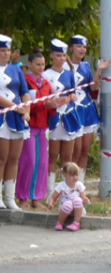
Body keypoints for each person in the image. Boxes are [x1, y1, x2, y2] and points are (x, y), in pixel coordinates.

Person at [67, 35, 110, 184]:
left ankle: (80, 184)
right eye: (79, 46)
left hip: (87, 108)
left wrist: (99, 70)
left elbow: (92, 87)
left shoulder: (85, 66)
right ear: (71, 48)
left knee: (85, 149)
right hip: (73, 109)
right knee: (76, 150)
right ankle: (69, 184)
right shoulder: (66, 66)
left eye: (84, 47)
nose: (82, 49)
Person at [17, 51, 57, 209]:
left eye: (43, 64)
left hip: (43, 128)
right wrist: (43, 105)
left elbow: (50, 106)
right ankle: (22, 197)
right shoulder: (25, 82)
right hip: (29, 126)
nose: (41, 67)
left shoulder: (46, 83)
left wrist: (54, 106)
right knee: (28, 161)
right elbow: (25, 106)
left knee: (42, 163)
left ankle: (36, 198)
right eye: (38, 64)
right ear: (30, 64)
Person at [43, 39, 80, 202]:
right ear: (51, 55)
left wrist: (72, 97)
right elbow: (42, 98)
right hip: (52, 119)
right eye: (58, 55)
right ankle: (49, 191)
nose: (62, 58)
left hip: (68, 118)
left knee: (67, 158)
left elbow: (74, 94)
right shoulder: (45, 75)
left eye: (64, 55)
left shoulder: (69, 74)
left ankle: (65, 193)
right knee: (52, 157)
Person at [0, 34, 31, 210]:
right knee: (1, 158)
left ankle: (10, 198)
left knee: (14, 158)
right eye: (2, 50)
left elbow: (24, 92)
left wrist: (26, 111)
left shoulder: (16, 69)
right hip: (1, 118)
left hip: (17, 118)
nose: (6, 53)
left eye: (8, 50)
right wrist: (16, 107)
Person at [48, 162, 89, 231]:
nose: (75, 177)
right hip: (64, 209)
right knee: (68, 204)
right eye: (72, 175)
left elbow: (83, 198)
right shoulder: (61, 185)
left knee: (77, 200)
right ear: (65, 175)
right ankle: (60, 222)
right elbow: (52, 197)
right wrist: (50, 204)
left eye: (77, 175)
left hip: (76, 210)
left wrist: (85, 200)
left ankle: (76, 223)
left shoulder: (79, 185)